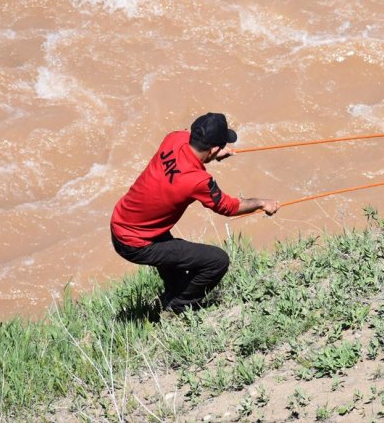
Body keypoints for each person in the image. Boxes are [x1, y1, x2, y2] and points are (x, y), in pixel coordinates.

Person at [111, 113, 280, 314]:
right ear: (214, 149)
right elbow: (229, 207)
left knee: (178, 269)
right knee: (217, 261)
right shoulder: (197, 180)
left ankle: (173, 294)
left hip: (122, 220)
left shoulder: (173, 138)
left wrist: (212, 154)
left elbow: (188, 144)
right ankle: (178, 308)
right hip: (136, 243)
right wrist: (263, 203)